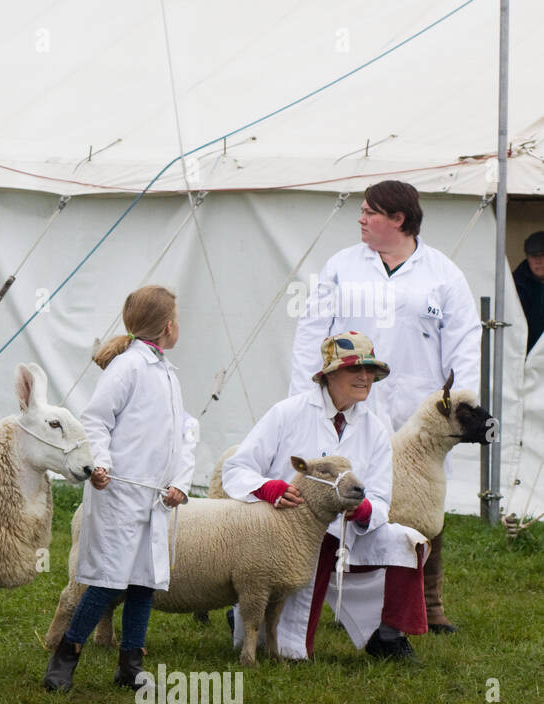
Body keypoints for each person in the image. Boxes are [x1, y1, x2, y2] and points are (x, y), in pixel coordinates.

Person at [289, 180, 480, 633]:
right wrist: (305, 394)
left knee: (424, 502)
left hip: (419, 410)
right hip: (352, 400)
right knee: (348, 492)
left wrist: (463, 407)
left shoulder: (443, 274)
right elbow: (311, 332)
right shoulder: (341, 267)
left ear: (398, 219)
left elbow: (465, 343)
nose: (360, 218)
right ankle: (338, 596)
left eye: (369, 212)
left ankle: (426, 603)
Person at [225, 332, 428, 660]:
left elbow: (380, 499)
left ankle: (388, 637)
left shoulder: (374, 429)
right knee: (291, 652)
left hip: (346, 535)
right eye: (354, 369)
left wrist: (362, 510)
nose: (365, 377)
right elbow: (236, 469)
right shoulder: (287, 413)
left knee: (408, 543)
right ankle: (249, 616)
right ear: (330, 374)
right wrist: (269, 489)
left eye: (370, 371)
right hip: (284, 537)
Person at [43, 286, 195, 692]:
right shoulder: (127, 368)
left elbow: (182, 434)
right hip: (121, 494)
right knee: (110, 579)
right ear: (168, 326)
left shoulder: (166, 373)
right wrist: (102, 464)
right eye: (177, 319)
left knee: (144, 580)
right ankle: (66, 654)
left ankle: (130, 662)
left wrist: (180, 482)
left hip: (155, 498)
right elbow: (96, 420)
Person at [511, 230, 544, 356]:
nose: (538, 261)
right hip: (526, 355)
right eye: (533, 256)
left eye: (542, 255)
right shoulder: (516, 285)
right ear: (527, 257)